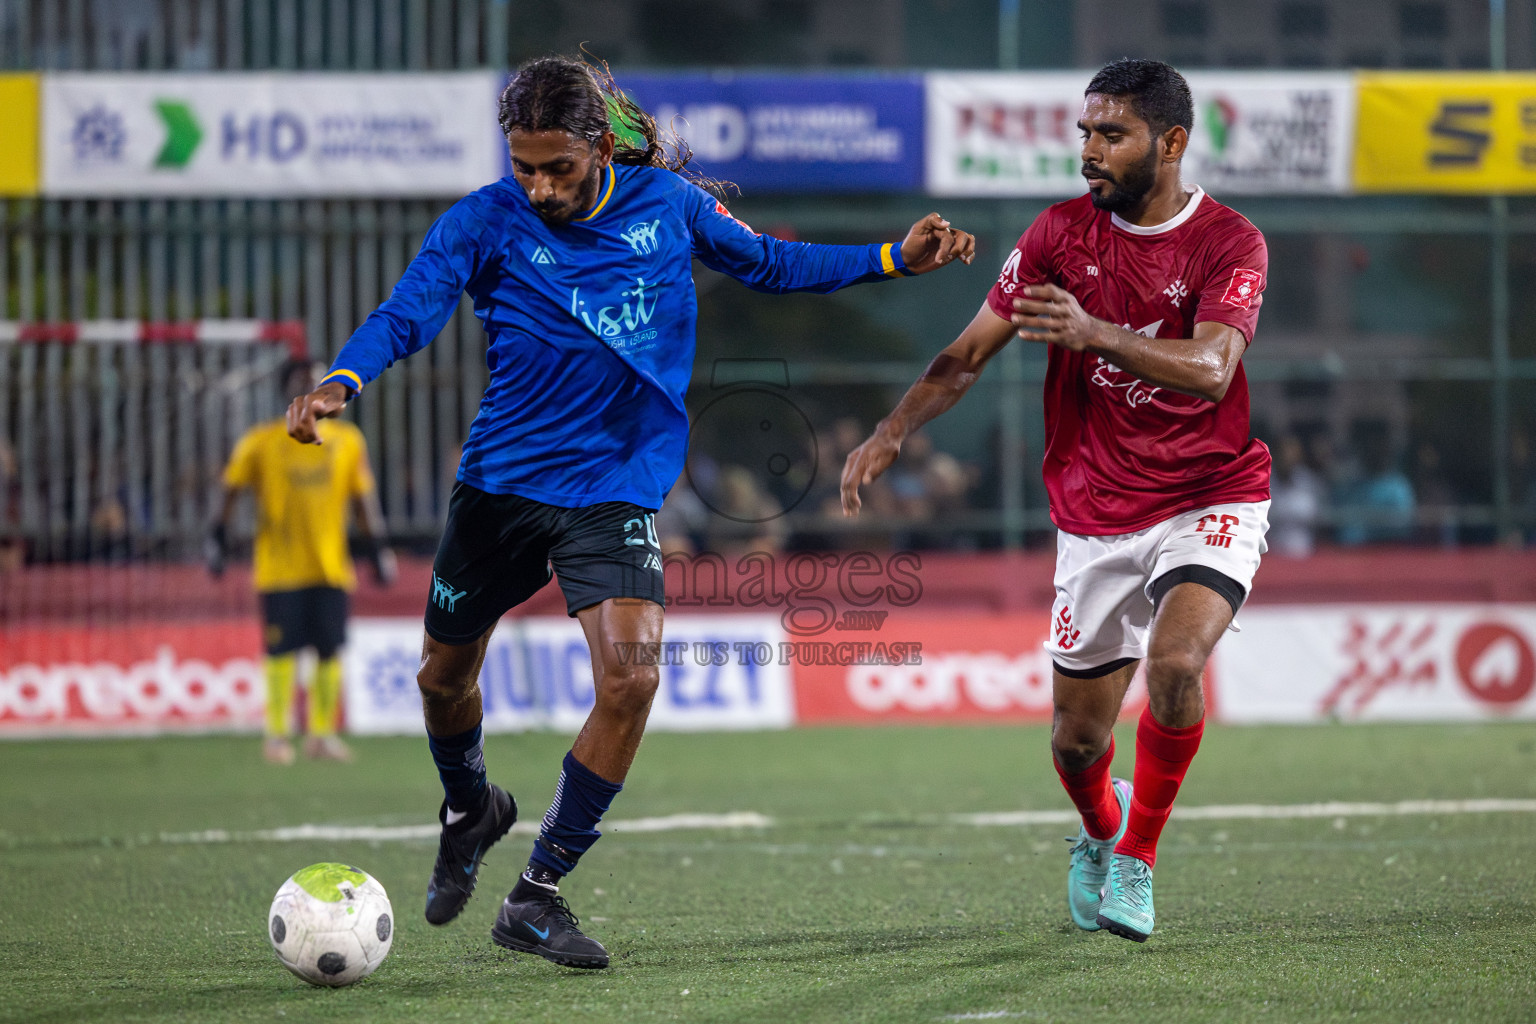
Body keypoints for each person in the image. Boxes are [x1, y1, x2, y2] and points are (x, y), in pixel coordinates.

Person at [285, 55, 975, 970]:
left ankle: (536, 893)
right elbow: (408, 310)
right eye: (523, 165)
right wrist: (342, 378)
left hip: (614, 488)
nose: (537, 185)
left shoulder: (669, 207)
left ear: (599, 147)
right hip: (500, 489)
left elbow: (770, 262)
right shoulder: (484, 220)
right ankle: (469, 810)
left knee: (633, 678)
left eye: (556, 168)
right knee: (442, 681)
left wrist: (893, 257)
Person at [842, 58, 1270, 943]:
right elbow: (967, 354)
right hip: (1096, 513)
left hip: (1210, 491)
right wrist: (892, 430)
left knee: (1179, 665)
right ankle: (1099, 828)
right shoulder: (1057, 237)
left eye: (1111, 134)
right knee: (1076, 743)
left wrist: (1093, 332)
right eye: (1085, 132)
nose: (1089, 150)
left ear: (1172, 142)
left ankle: (1139, 860)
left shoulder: (1230, 243)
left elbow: (1213, 367)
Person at [210, 358, 396, 765]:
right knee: (281, 653)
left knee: (329, 651)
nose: (313, 389)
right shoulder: (261, 441)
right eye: (303, 383)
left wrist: (378, 548)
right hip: (279, 568)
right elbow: (230, 488)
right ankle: (277, 735)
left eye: (318, 382)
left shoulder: (348, 441)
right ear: (286, 392)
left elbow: (364, 498)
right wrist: (218, 539)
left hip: (331, 566)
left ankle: (321, 734)